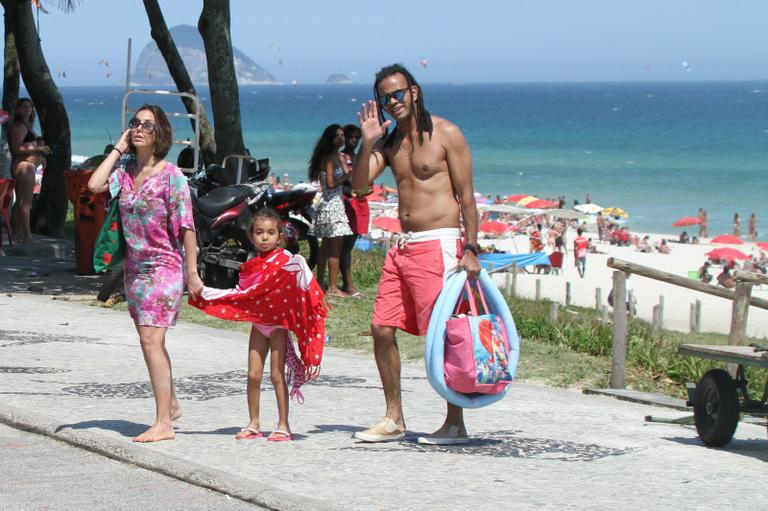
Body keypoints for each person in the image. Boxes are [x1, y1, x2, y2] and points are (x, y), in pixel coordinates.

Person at [351, 63, 480, 445]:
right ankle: (394, 418)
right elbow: (359, 187)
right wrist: (367, 141)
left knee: (444, 333)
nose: (392, 102)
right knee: (380, 328)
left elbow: (468, 198)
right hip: (402, 246)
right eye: (385, 97)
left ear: (414, 91)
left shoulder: (446, 133)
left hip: (438, 243)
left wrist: (471, 249)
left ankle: (454, 420)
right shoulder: (388, 143)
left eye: (397, 93)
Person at [88, 104, 203, 442]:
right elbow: (95, 184)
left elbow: (187, 227)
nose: (139, 128)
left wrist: (192, 273)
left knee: (150, 339)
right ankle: (172, 405)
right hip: (134, 270)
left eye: (147, 125)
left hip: (165, 268)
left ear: (160, 134)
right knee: (150, 342)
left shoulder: (171, 176)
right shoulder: (123, 172)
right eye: (134, 123)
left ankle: (163, 423)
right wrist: (119, 147)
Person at [190, 208, 328, 442]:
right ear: (251, 237)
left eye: (270, 233)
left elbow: (303, 279)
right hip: (258, 325)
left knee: (277, 375)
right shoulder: (249, 264)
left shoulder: (288, 261)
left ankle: (283, 424)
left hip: (278, 326)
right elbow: (242, 294)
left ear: (280, 236)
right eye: (259, 233)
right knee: (253, 375)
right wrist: (208, 293)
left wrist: (311, 288)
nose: (265, 237)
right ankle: (254, 423)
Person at [309, 124, 353, 297]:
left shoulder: (333, 157)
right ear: (331, 138)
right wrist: (346, 176)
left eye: (343, 135)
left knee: (326, 247)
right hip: (332, 205)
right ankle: (333, 288)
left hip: (329, 204)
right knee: (335, 247)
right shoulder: (329, 159)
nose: (342, 138)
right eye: (339, 136)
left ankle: (320, 283)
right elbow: (331, 183)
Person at [7, 98, 50, 243]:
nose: (27, 109)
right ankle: (27, 236)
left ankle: (18, 234)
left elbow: (32, 143)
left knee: (21, 201)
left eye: (29, 106)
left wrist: (41, 153)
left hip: (29, 165)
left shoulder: (28, 125)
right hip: (24, 166)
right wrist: (39, 148)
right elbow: (17, 147)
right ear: (18, 109)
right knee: (25, 202)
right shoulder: (19, 126)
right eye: (23, 106)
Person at [339, 123, 368, 298]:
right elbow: (341, 183)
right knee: (345, 246)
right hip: (347, 203)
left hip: (360, 203)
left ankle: (348, 283)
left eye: (357, 137)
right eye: (351, 137)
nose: (354, 140)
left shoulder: (358, 157)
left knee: (349, 244)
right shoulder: (341, 157)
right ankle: (348, 284)